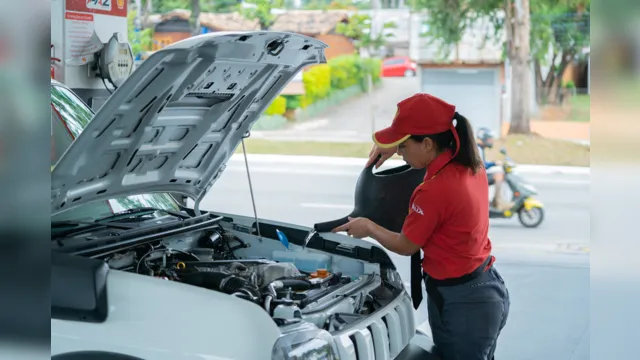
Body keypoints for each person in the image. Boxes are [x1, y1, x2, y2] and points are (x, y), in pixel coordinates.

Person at [333, 93, 510, 360]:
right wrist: (395, 145)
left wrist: (369, 228)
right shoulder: (467, 163)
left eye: (403, 146)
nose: (401, 154)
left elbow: (407, 245)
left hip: (463, 303)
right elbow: (425, 164)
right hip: (484, 289)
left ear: (427, 143)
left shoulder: (434, 190)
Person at [476, 127, 513, 211]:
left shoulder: (480, 148)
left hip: (478, 175)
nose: (491, 141)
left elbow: (482, 162)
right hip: (476, 177)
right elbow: (481, 165)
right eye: (490, 139)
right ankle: (498, 202)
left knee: (499, 174)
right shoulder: (478, 149)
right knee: (498, 175)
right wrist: (494, 163)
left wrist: (493, 162)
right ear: (484, 139)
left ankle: (497, 201)